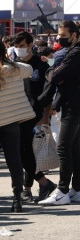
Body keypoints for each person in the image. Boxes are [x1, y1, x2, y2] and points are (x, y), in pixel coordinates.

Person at [39, 20, 80, 206]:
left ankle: (62, 191)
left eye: (63, 36)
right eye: (58, 36)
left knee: (63, 147)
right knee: (73, 148)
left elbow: (55, 76)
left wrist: (51, 70)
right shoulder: (77, 51)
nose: (59, 39)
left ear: (75, 35)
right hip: (75, 103)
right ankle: (77, 189)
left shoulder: (76, 53)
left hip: (74, 105)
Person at [11, 32, 57, 202]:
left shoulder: (41, 64)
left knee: (27, 151)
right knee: (24, 151)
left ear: (31, 45)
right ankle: (36, 185)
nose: (19, 49)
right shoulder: (15, 66)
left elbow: (48, 91)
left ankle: (33, 186)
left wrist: (45, 117)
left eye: (22, 45)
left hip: (36, 114)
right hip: (18, 113)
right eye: (17, 46)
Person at [0, 40, 33, 212]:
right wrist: (11, 61)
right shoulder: (16, 69)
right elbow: (29, 70)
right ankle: (17, 197)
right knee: (14, 160)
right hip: (11, 121)